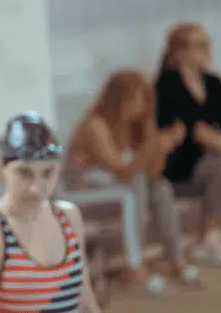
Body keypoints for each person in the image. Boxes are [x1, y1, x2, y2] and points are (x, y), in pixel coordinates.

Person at [62, 69, 198, 292]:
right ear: (117, 100)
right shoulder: (96, 124)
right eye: (134, 100)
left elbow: (154, 171)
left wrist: (160, 145)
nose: (140, 107)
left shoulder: (135, 126)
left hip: (117, 188)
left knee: (160, 187)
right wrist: (152, 147)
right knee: (137, 184)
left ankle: (176, 259)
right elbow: (120, 168)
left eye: (144, 100)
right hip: (84, 191)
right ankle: (135, 266)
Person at [0, 112, 101, 313]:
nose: (36, 188)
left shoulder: (68, 217)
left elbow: (86, 301)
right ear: (4, 169)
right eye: (24, 173)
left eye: (48, 173)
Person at [155, 22, 221, 264]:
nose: (207, 50)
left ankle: (210, 237)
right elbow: (192, 130)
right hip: (179, 166)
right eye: (200, 45)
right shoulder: (167, 85)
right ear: (181, 51)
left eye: (207, 44)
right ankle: (207, 237)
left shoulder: (213, 82)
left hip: (211, 157)